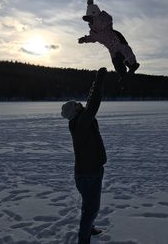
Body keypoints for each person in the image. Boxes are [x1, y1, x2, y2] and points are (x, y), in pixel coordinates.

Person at [61, 67, 107, 244]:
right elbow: (93, 103)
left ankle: (88, 227)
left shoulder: (78, 121)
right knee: (91, 208)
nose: (81, 104)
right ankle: (84, 238)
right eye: (77, 105)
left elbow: (89, 103)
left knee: (89, 207)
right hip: (89, 175)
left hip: (87, 173)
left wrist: (95, 84)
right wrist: (99, 80)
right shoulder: (81, 123)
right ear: (75, 111)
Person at [78, 0, 140, 84]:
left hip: (116, 40)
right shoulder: (94, 32)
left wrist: (93, 18)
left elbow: (106, 21)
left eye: (92, 18)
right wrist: (85, 39)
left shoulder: (104, 19)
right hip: (111, 48)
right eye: (90, 20)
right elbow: (92, 38)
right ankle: (123, 75)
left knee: (125, 51)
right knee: (116, 62)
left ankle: (132, 64)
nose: (91, 21)